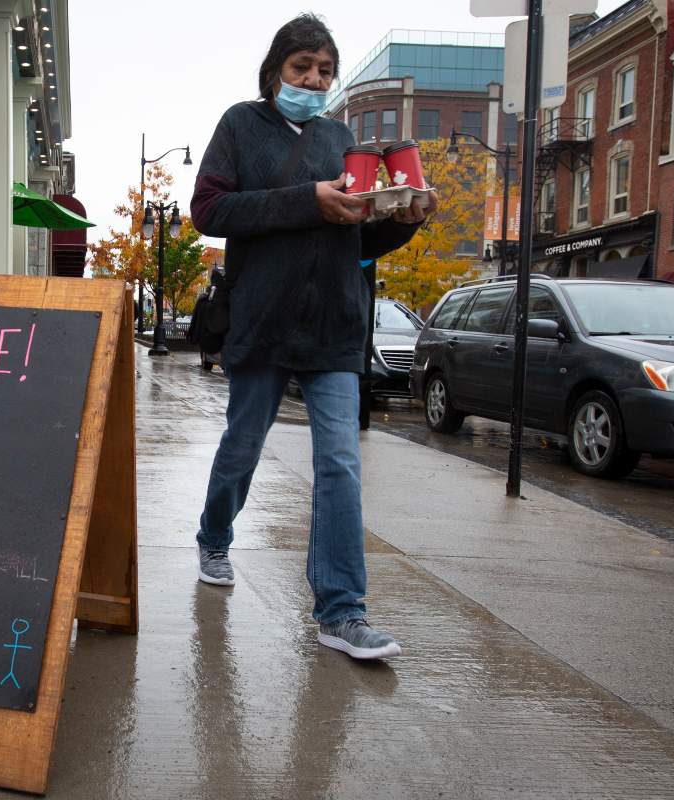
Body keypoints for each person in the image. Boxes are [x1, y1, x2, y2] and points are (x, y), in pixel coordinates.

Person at [189, 14, 437, 661]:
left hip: (334, 323)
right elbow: (210, 210)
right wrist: (307, 200)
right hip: (264, 319)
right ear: (276, 71)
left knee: (340, 464)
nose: (314, 80)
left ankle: (341, 611)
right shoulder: (241, 125)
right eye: (303, 69)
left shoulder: (340, 137)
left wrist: (403, 219)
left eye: (324, 70)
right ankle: (215, 534)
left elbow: (355, 235)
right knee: (242, 446)